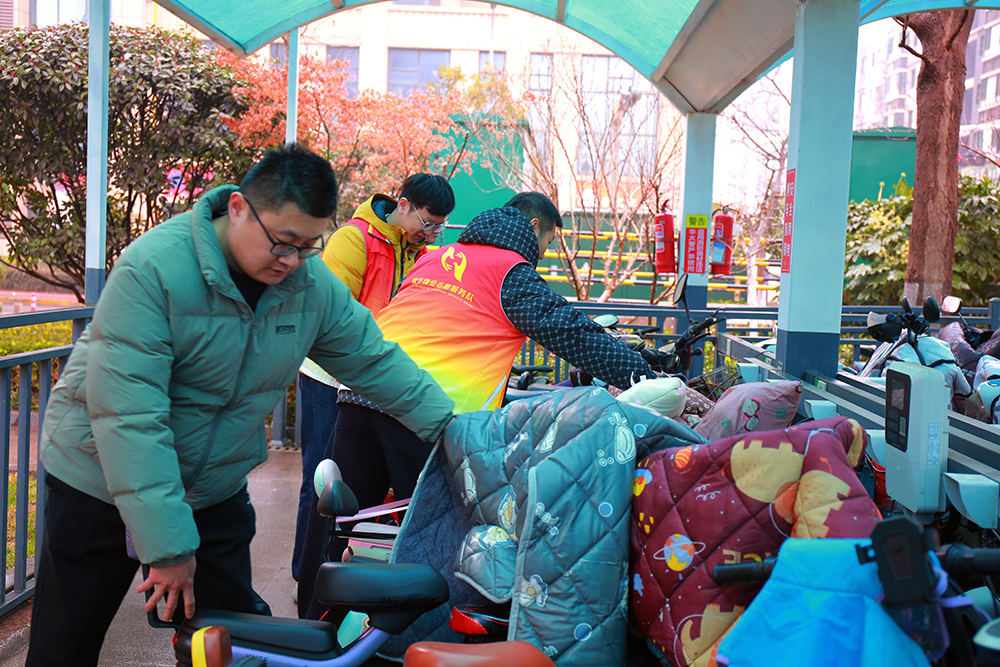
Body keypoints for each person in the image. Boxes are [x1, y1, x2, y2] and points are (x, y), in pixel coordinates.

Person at [26, 144, 454, 667]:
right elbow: (130, 420)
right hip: (100, 478)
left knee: (234, 644)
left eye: (308, 246)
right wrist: (168, 548)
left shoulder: (307, 283)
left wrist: (453, 429)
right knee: (65, 643)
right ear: (237, 209)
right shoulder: (154, 269)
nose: (291, 260)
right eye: (282, 242)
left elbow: (374, 359)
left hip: (213, 484)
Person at [297, 191, 659, 619]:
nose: (544, 253)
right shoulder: (510, 272)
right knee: (433, 535)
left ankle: (314, 632)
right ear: (533, 229)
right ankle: (417, 638)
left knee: (341, 522)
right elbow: (572, 332)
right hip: (422, 411)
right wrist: (645, 376)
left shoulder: (435, 258)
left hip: (360, 393)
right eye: (547, 243)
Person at [291, 173, 454, 589]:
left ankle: (343, 575)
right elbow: (331, 313)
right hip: (329, 377)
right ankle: (305, 577)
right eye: (427, 222)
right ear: (404, 204)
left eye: (439, 227)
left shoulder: (423, 254)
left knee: (358, 486)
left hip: (372, 382)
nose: (430, 233)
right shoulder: (354, 238)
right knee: (323, 479)